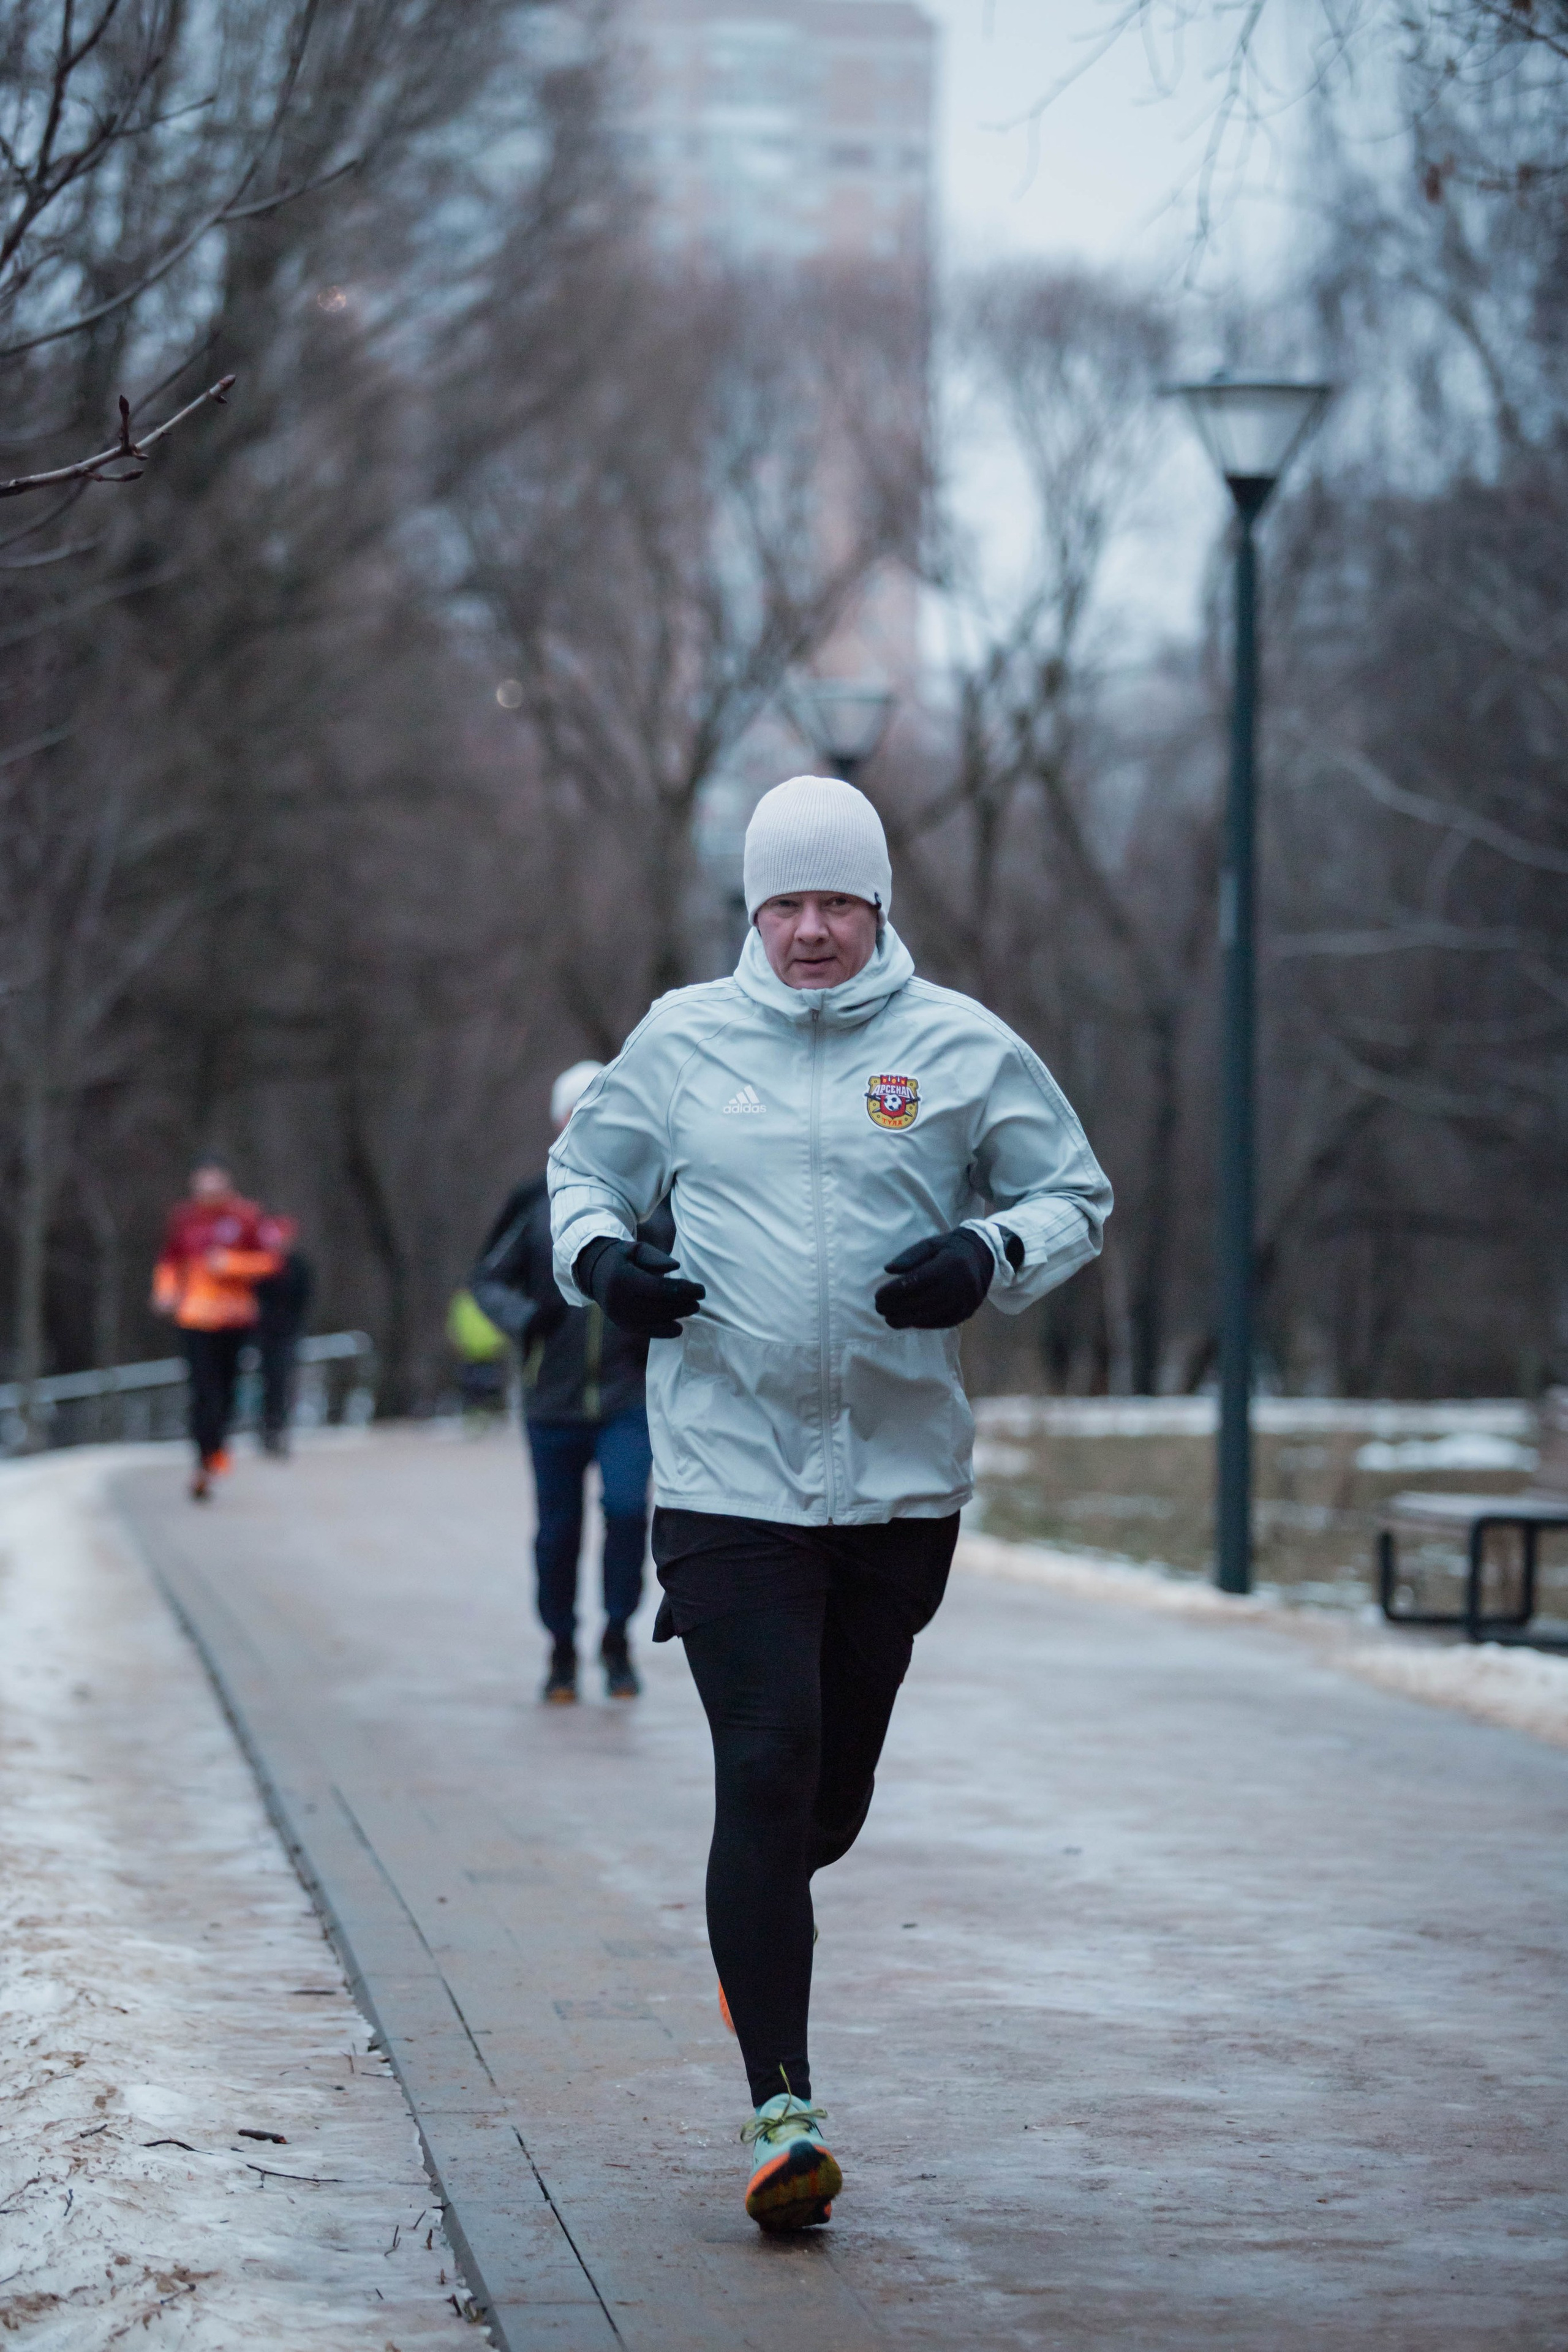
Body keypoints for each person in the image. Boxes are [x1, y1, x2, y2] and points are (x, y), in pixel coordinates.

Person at [548, 774, 1111, 2233]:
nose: (808, 929)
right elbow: (581, 1175)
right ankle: (780, 2107)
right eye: (783, 903)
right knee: (769, 1750)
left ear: (876, 908)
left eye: (832, 903)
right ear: (753, 911)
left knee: (826, 1797)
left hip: (897, 1485)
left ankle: (757, 1918)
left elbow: (1074, 1193)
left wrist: (987, 1255)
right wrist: (607, 1262)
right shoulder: (682, 1040)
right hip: (726, 1476)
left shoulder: (952, 1045)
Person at [472, 1062, 669, 1705]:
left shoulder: (653, 1203)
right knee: (557, 1532)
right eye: (575, 1112)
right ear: (559, 1122)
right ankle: (560, 1648)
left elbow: (684, 1275)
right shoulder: (533, 1202)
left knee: (625, 1511)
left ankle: (616, 1638)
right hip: (551, 1401)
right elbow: (486, 1280)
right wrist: (526, 1319)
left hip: (628, 1399)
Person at [151, 1158, 282, 1501]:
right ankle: (203, 1460)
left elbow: (271, 1261)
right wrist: (165, 1294)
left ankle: (218, 1448)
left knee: (226, 1390)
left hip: (235, 1318)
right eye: (202, 1184)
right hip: (195, 1318)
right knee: (202, 1390)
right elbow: (169, 1262)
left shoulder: (246, 1216)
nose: (208, 1191)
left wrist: (231, 1264)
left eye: (215, 1183)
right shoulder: (184, 1218)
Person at [253, 1215, 313, 1456]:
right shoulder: (259, 1265)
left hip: (288, 1332)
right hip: (261, 1332)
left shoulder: (298, 1266)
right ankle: (266, 1428)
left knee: (283, 1380)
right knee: (265, 1382)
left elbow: (304, 1299)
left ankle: (279, 1428)